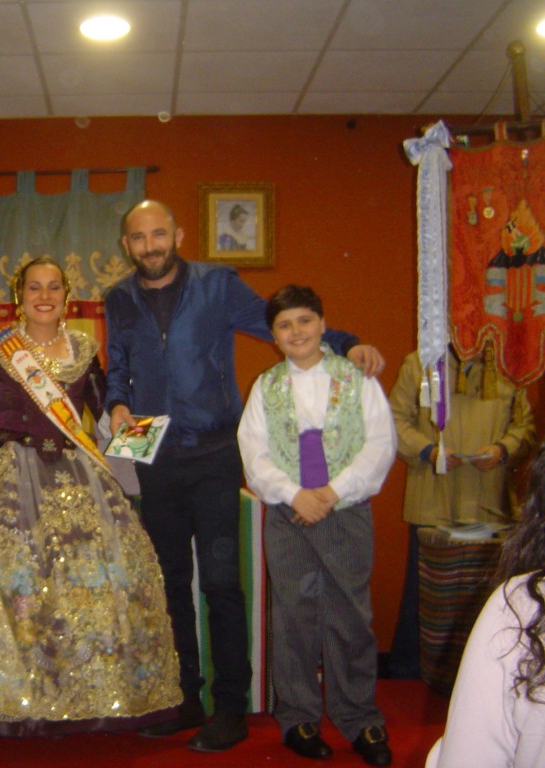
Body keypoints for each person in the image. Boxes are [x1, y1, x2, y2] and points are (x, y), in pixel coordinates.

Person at [104, 200, 384, 753]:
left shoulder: (217, 285)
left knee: (220, 583)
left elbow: (282, 324)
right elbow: (119, 365)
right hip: (151, 453)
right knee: (167, 582)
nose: (150, 245)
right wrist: (116, 403)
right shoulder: (119, 297)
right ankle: (183, 698)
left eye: (159, 234)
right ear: (126, 244)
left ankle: (229, 708)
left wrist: (347, 342)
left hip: (214, 452)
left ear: (178, 235)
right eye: (138, 238)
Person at [0, 257, 181, 737]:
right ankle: (1, 698)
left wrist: (147, 446)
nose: (45, 295)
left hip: (77, 477)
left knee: (97, 582)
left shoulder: (84, 349)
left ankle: (92, 697)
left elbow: (105, 413)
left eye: (54, 287)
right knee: (10, 583)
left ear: (66, 296)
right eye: (35, 287)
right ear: (19, 297)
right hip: (10, 477)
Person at [238, 285, 396, 765]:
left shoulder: (357, 378)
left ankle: (359, 717)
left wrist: (333, 491)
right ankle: (298, 717)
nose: (297, 332)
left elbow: (380, 443)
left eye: (305, 321)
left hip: (346, 514)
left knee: (351, 617)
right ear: (273, 336)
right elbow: (254, 453)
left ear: (324, 325)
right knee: (294, 617)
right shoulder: (265, 387)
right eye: (284, 326)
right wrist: (294, 495)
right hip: (290, 518)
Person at [387, 343, 536, 679]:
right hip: (433, 500)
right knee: (423, 594)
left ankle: (484, 675)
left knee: (486, 594)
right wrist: (428, 450)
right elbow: (394, 419)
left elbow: (525, 427)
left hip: (489, 501)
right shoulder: (419, 363)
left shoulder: (508, 364)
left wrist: (503, 449)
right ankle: (409, 673)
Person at [426, 444, 545, 767]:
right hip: (439, 493)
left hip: (489, 491)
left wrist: (503, 448)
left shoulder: (521, 604)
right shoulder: (520, 605)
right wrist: (429, 450)